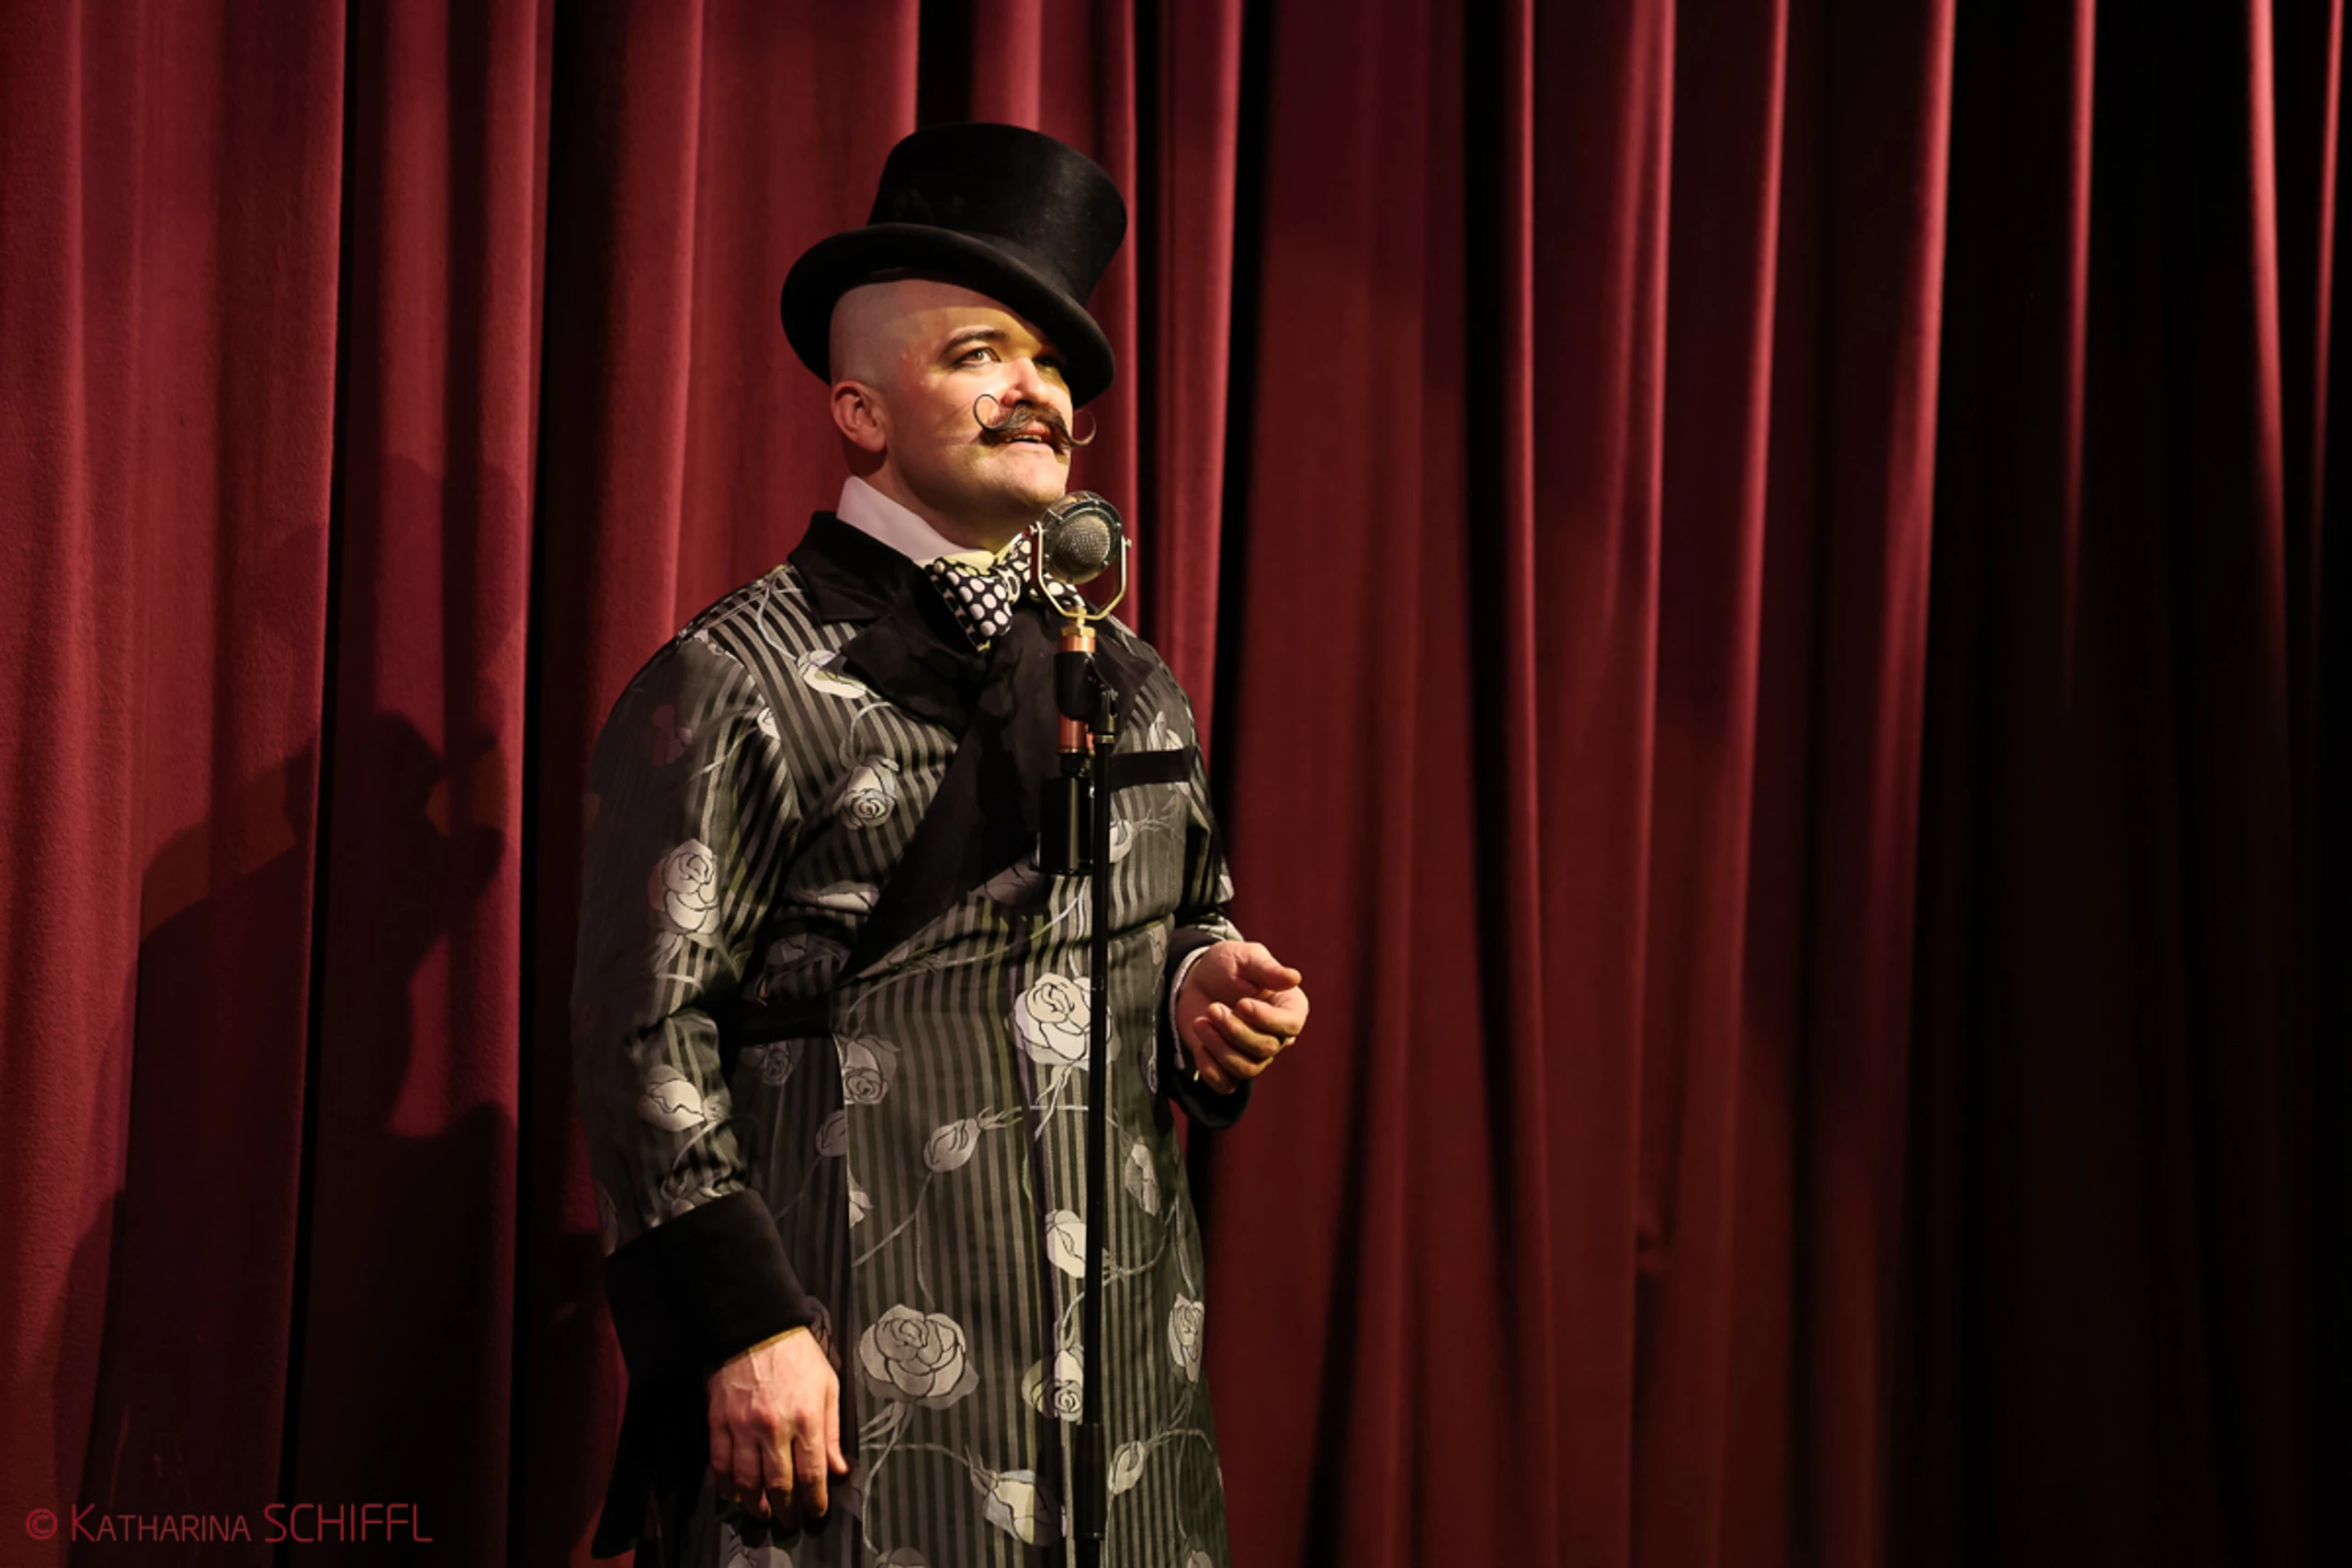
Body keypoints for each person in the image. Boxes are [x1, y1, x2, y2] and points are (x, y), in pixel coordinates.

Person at [571, 122, 1312, 1568]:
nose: (1034, 387)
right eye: (981, 353)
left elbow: (1189, 913)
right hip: (851, 1383)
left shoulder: (1134, 679)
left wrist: (1202, 989)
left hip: (1128, 1413)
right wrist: (743, 1327)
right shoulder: (738, 676)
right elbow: (642, 1031)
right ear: (859, 409)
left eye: (1052, 362)